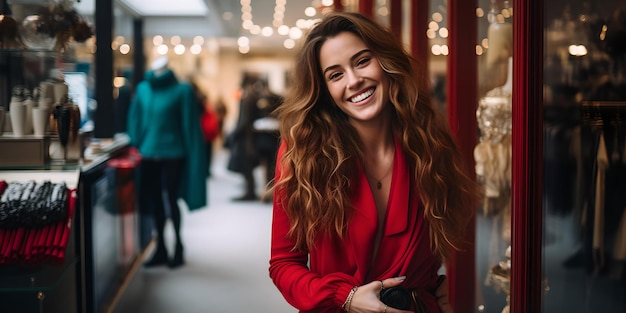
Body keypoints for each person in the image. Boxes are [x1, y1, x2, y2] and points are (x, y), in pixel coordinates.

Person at [268, 12, 480, 313]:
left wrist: (439, 287)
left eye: (362, 61)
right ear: (325, 90)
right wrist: (345, 297)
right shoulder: (301, 153)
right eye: (336, 74)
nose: (354, 81)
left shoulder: (430, 143)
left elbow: (439, 248)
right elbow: (283, 264)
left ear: (385, 62)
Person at [127, 56, 207, 269]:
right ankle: (160, 246)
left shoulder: (183, 90)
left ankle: (178, 246)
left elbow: (190, 124)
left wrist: (195, 155)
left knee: (172, 200)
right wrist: (134, 144)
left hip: (174, 153)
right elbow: (134, 119)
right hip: (148, 154)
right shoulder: (143, 89)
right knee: (154, 201)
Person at [225, 74, 262, 201]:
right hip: (247, 135)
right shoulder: (250, 95)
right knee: (247, 165)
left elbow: (244, 120)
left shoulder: (248, 97)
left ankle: (250, 192)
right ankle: (249, 191)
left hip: (247, 137)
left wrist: (234, 133)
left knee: (247, 165)